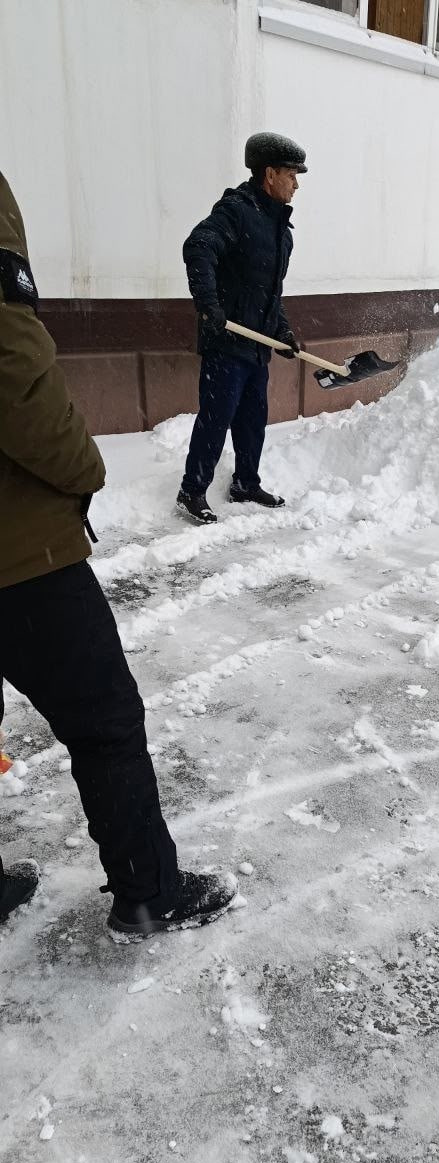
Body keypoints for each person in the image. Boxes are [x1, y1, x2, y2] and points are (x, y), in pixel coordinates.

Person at [0, 170, 238, 936]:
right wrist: (87, 470)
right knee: (105, 722)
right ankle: (147, 890)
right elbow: (14, 376)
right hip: (17, 552)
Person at [176, 131, 307, 524]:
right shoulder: (236, 211)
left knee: (253, 418)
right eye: (291, 174)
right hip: (227, 341)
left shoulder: (280, 231)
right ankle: (192, 490)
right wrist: (208, 307)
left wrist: (281, 332)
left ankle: (246, 483)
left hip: (256, 344)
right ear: (270, 174)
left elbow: (270, 293)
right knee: (216, 417)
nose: (297, 183)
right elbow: (198, 246)